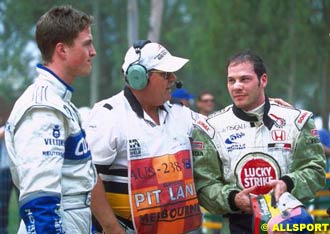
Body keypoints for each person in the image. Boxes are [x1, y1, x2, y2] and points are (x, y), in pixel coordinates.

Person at [191, 50, 326, 234]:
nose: (236, 86)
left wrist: (288, 183)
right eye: (232, 80)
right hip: (236, 226)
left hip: (289, 223)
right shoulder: (210, 128)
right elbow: (204, 184)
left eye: (244, 79)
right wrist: (233, 199)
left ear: (263, 80)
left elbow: (315, 169)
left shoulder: (296, 120)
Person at [86, 40, 203, 234]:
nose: (173, 78)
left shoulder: (180, 113)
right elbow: (88, 175)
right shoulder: (109, 115)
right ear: (138, 77)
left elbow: (218, 126)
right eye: (165, 74)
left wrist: (267, 108)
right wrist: (112, 228)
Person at [5, 6, 97, 233]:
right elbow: (40, 197)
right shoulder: (43, 108)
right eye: (86, 44)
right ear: (62, 50)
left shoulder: (61, 102)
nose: (93, 51)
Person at [0, 123, 17, 234]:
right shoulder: (4, 129)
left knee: (23, 203)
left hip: (18, 170)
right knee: (2, 205)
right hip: (5, 170)